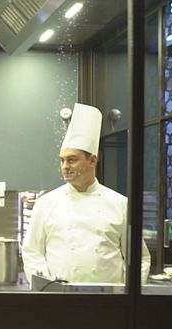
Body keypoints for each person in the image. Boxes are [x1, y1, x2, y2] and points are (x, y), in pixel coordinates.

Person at [22, 103, 151, 286]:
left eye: (72, 160)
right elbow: (32, 253)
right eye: (62, 160)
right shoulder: (46, 203)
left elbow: (139, 258)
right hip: (59, 297)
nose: (65, 167)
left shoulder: (120, 204)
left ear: (92, 160)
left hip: (109, 299)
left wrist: (125, 293)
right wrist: (47, 289)